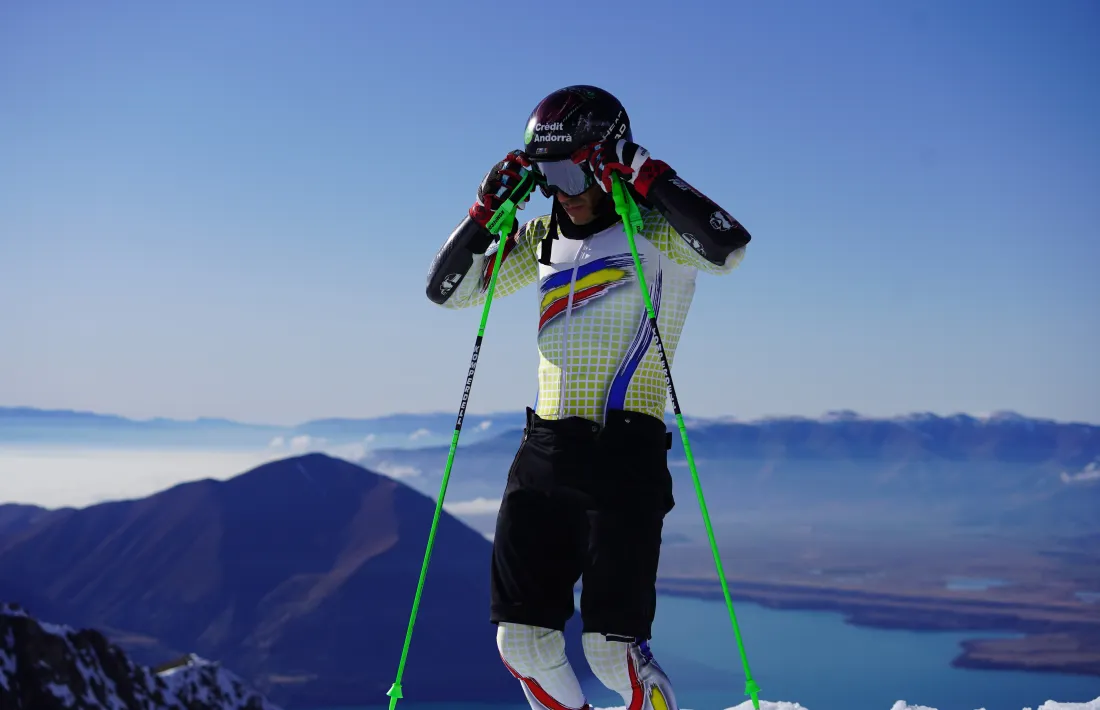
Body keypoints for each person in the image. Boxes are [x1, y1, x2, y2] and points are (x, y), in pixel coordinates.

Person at [425, 85, 751, 710]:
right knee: (521, 643)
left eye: (575, 167)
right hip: (545, 446)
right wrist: (482, 213)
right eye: (546, 173)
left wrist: (649, 175)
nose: (564, 189)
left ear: (609, 159)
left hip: (624, 452)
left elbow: (727, 246)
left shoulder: (659, 230)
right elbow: (447, 291)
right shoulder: (543, 236)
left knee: (611, 650)